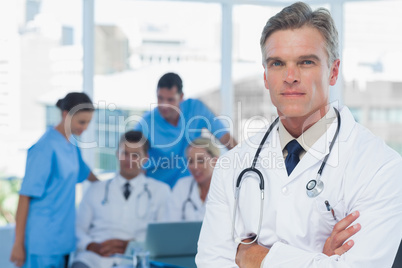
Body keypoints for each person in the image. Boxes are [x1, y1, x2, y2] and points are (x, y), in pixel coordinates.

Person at [196, 2, 402, 267]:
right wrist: (320, 260)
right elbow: (210, 262)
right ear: (266, 77)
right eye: (278, 63)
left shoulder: (381, 168)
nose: (290, 76)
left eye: (306, 62)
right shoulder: (231, 165)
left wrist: (254, 257)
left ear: (334, 71)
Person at [10, 92, 98, 268]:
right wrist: (18, 243)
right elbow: (24, 196)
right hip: (42, 241)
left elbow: (87, 173)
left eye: (88, 122)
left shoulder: (71, 145)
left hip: (63, 239)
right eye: (81, 122)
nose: (85, 127)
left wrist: (113, 187)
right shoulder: (44, 148)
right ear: (65, 114)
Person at [72, 131, 171, 268]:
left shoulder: (160, 191)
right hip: (95, 257)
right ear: (117, 154)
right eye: (125, 153)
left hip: (135, 257)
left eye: (135, 155)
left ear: (145, 158)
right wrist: (90, 245)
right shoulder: (95, 189)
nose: (129, 160)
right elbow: (78, 228)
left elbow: (163, 236)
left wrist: (132, 245)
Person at [134, 72, 237, 188]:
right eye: (160, 98)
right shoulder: (145, 124)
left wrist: (245, 167)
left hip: (189, 190)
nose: (164, 105)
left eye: (170, 100)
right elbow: (133, 163)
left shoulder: (196, 108)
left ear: (181, 97)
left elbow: (226, 139)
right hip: (157, 192)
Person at [168, 137, 220, 221]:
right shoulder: (182, 186)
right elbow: (170, 225)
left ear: (215, 161)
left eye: (201, 160)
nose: (194, 167)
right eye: (191, 161)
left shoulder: (228, 188)